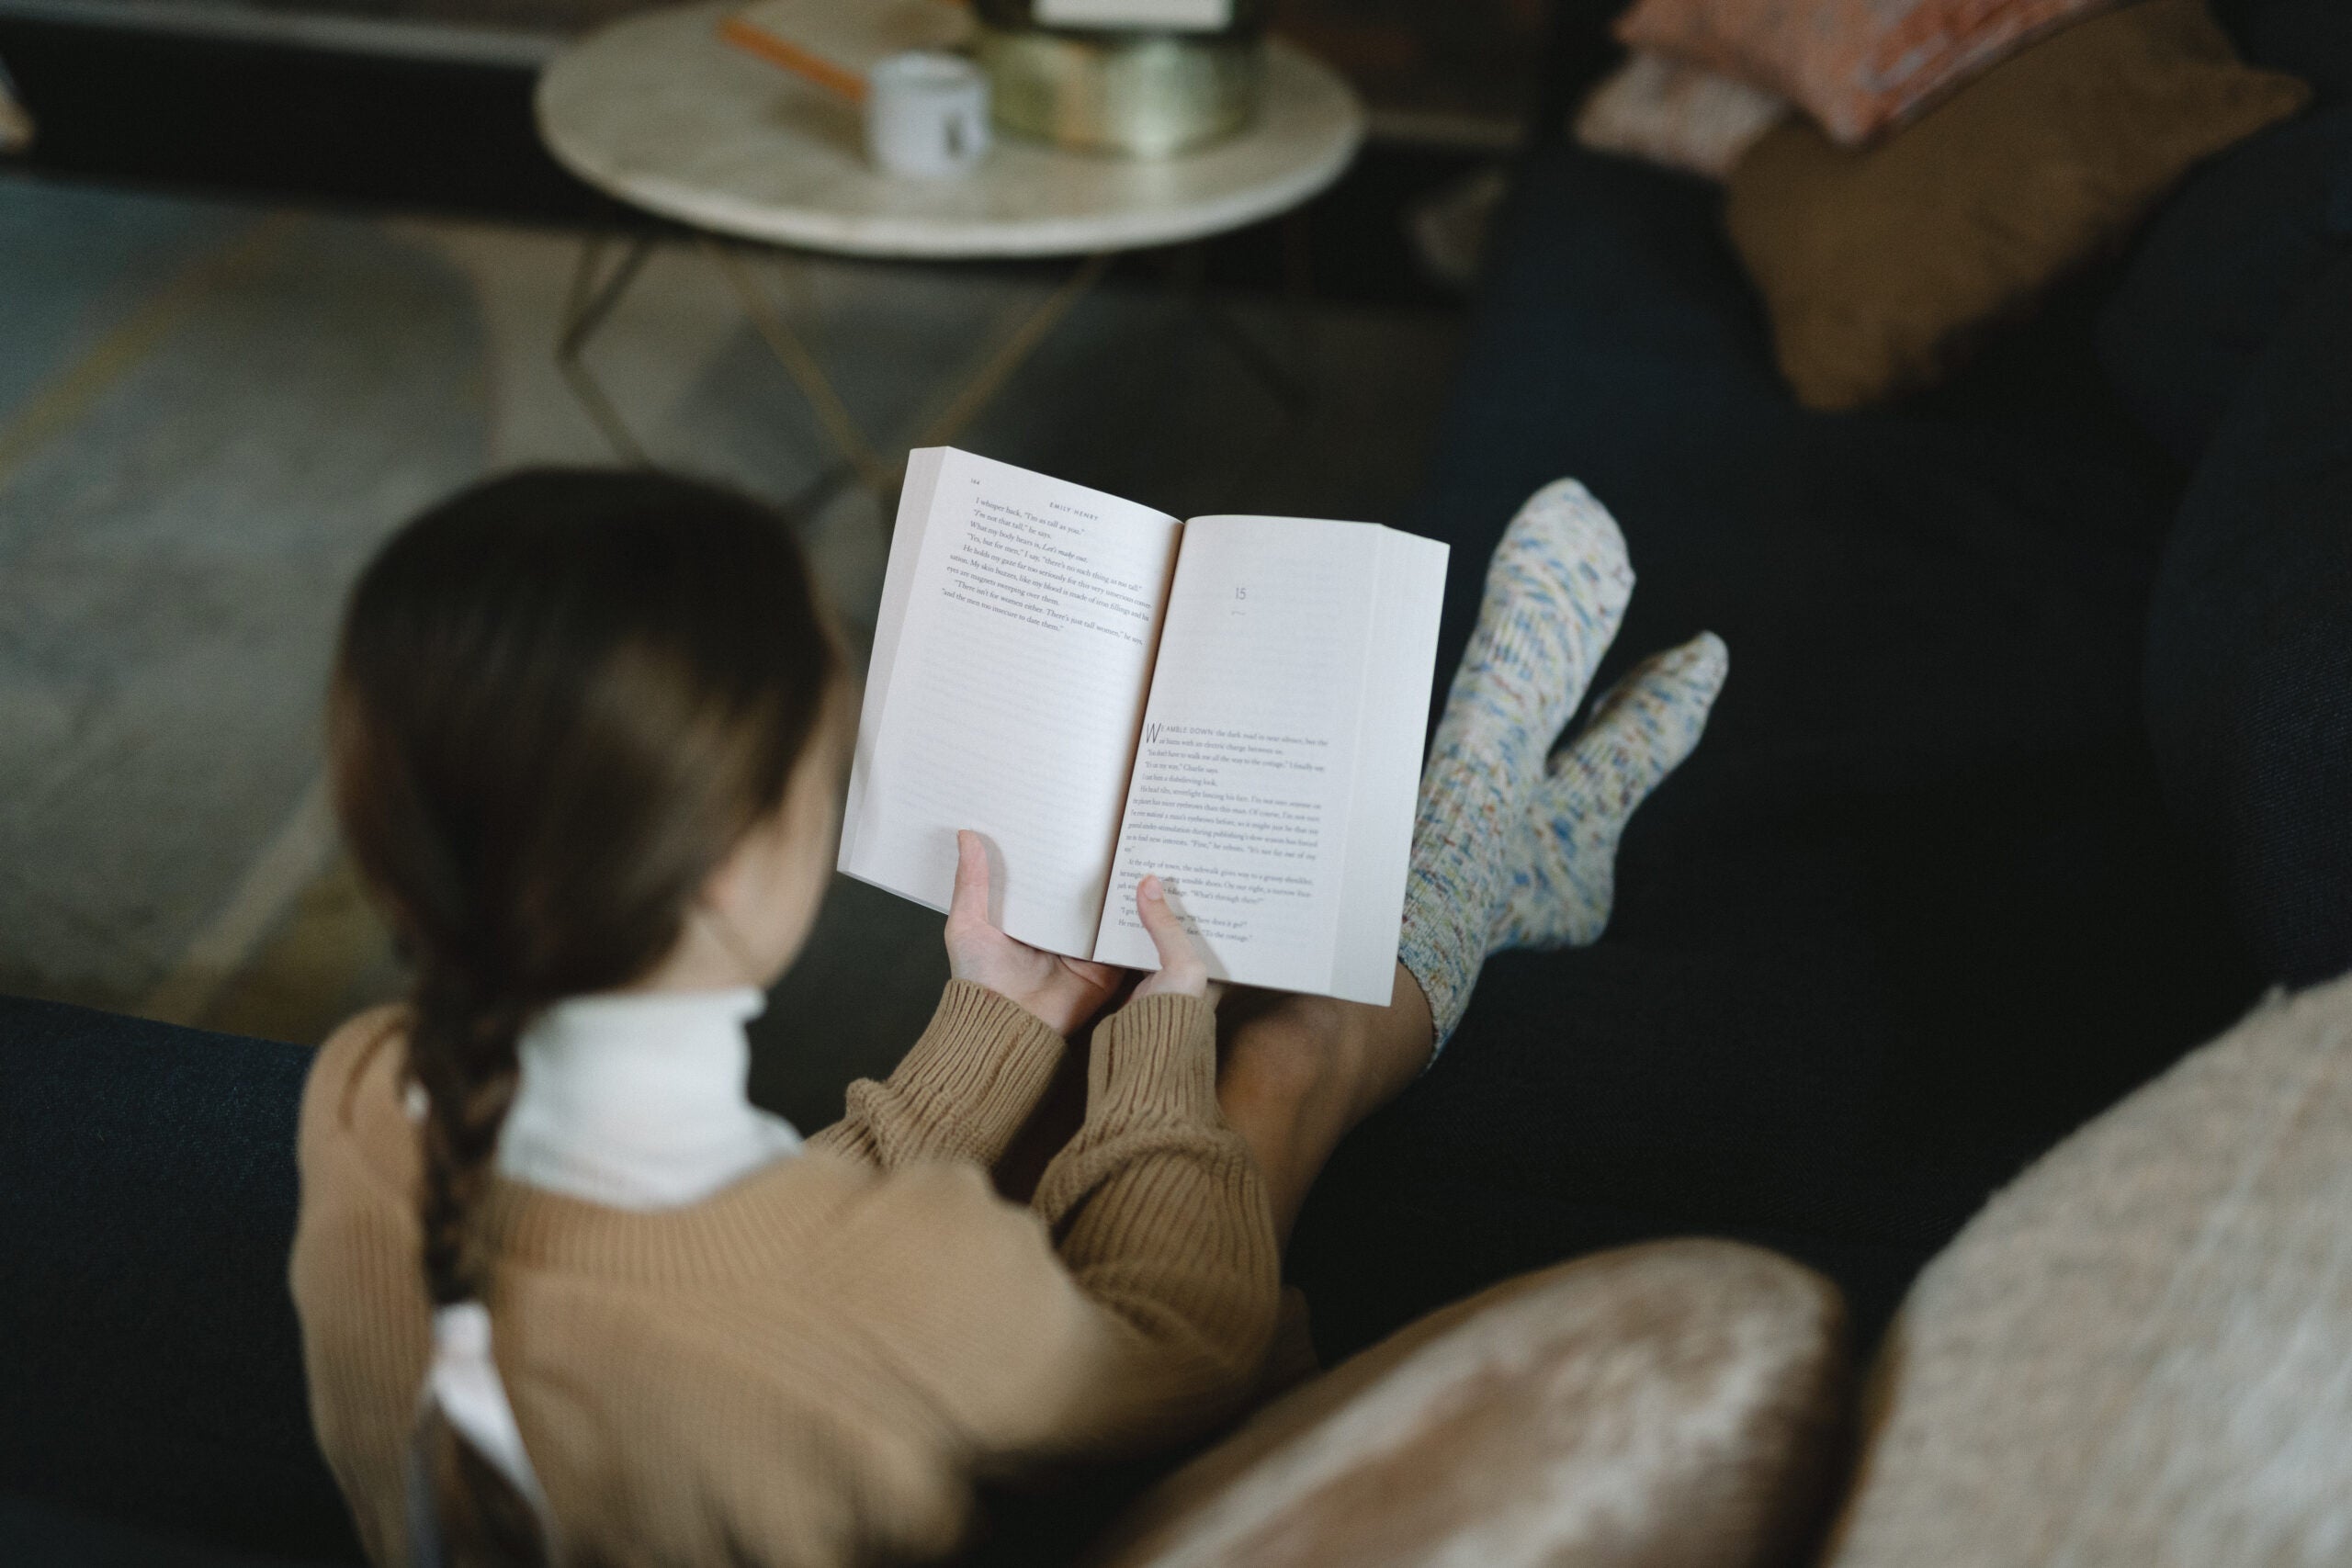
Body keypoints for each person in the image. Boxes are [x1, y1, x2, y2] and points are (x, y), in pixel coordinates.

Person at [289, 467, 1724, 1568]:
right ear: (730, 871)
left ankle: (1498, 857)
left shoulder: (364, 1094)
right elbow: (1182, 1346)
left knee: (1064, 1074)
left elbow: (728, 1252)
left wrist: (991, 1026)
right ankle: (1475, 843)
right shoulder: (883, 1285)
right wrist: (1165, 1046)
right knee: (1281, 1057)